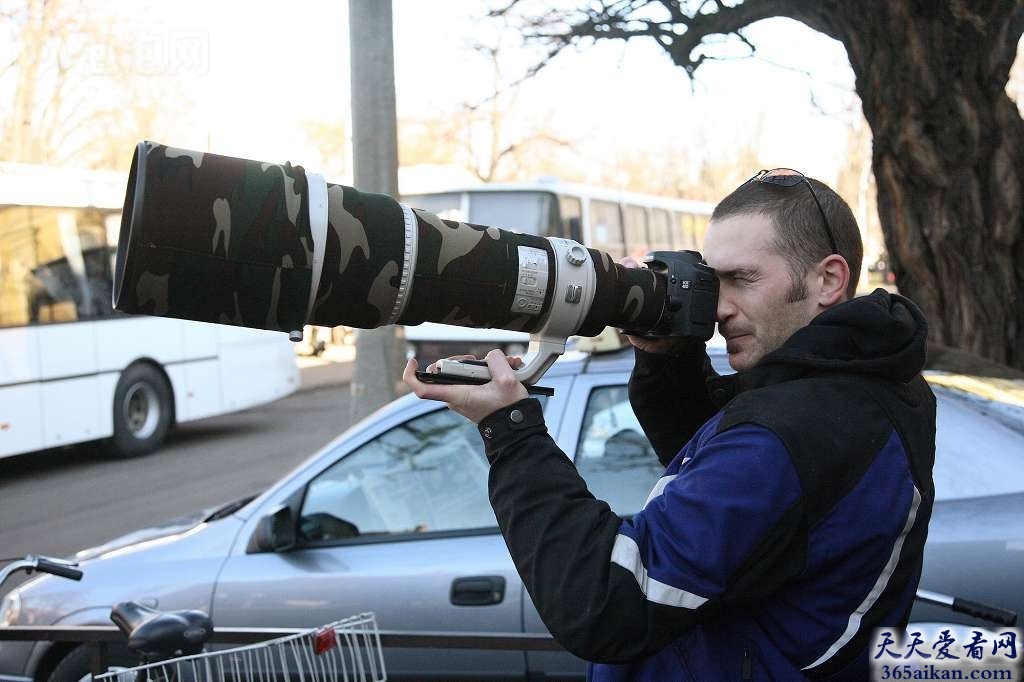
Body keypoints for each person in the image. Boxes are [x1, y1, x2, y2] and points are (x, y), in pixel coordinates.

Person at [403, 169, 936, 680]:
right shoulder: (864, 381)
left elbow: (607, 602)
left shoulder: (793, 431)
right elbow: (747, 505)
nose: (720, 308)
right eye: (712, 280)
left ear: (828, 279)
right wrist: (667, 358)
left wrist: (510, 429)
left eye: (742, 280)